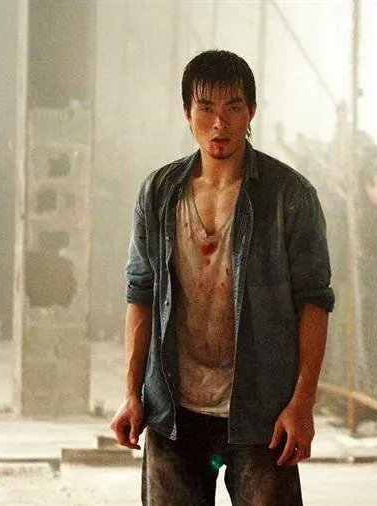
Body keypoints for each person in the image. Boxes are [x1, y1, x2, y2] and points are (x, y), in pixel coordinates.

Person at [110, 50, 335, 506]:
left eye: (233, 107)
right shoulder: (158, 193)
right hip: (174, 410)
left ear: (251, 111)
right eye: (206, 107)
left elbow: (314, 302)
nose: (219, 123)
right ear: (187, 112)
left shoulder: (288, 196)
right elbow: (141, 294)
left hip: (261, 411)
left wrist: (301, 404)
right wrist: (132, 394)